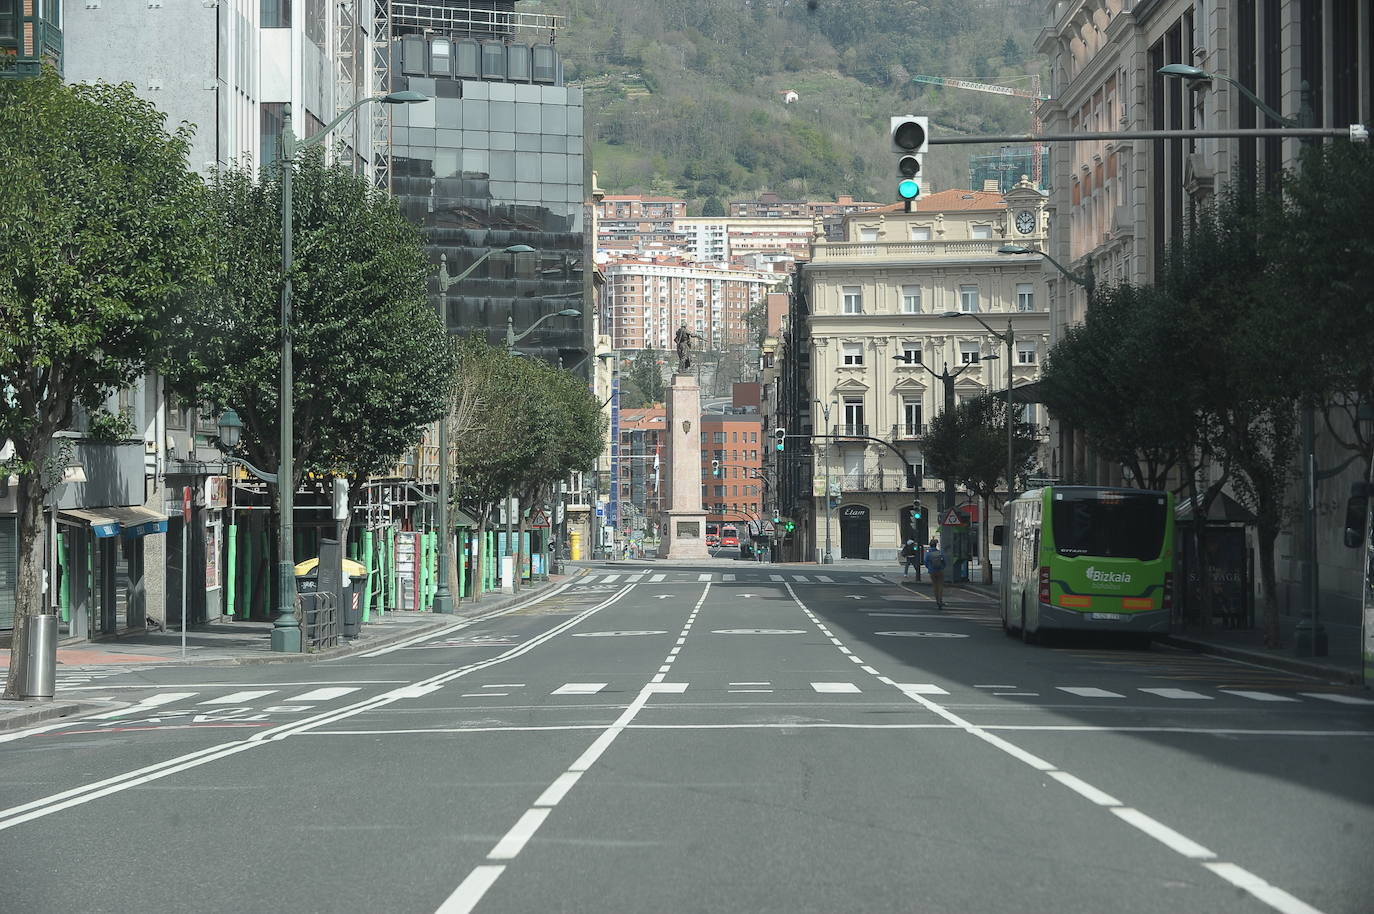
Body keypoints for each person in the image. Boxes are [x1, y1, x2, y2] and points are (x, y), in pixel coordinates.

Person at [924, 538, 947, 609]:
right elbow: (945, 562)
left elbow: (925, 562)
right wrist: (942, 567)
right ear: (936, 545)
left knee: (935, 586)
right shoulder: (940, 552)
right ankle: (940, 600)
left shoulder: (928, 554)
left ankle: (937, 601)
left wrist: (929, 568)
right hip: (940, 570)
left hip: (932, 571)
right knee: (940, 586)